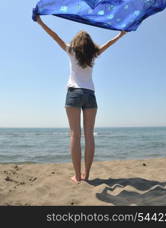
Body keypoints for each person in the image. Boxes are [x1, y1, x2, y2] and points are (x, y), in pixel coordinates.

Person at [35, 15, 127, 183]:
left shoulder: (71, 50)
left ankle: (77, 176)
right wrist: (121, 34)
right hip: (90, 94)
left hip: (74, 93)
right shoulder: (94, 54)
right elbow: (109, 44)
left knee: (75, 136)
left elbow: (54, 35)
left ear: (76, 42)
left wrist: (41, 22)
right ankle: (87, 175)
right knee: (89, 136)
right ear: (89, 44)